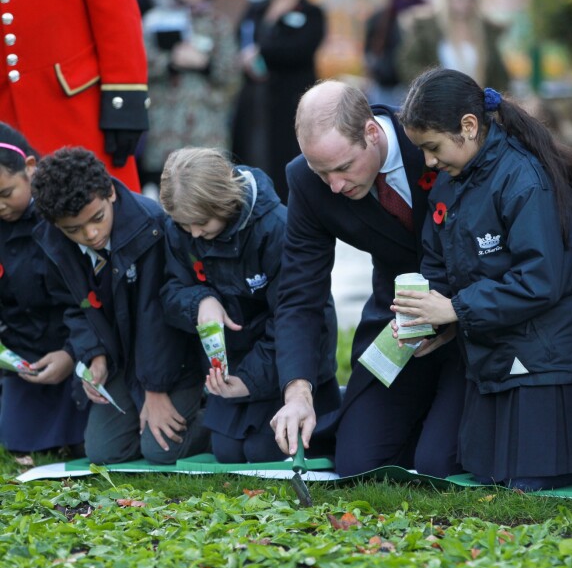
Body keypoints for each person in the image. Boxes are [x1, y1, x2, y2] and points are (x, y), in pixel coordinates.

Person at [394, 68, 572, 491]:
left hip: (543, 358)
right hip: (486, 353)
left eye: (433, 147)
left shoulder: (523, 179)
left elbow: (540, 281)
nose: (428, 161)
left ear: (469, 127)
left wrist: (457, 308)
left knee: (521, 483)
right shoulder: (448, 181)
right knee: (466, 471)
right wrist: (430, 317)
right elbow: (436, 261)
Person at [270, 79, 466, 478]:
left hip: (473, 318)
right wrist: (298, 391)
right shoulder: (308, 184)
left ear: (372, 132)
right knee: (357, 462)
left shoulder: (433, 138)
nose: (335, 186)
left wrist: (459, 313)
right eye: (321, 172)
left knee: (437, 463)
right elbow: (299, 294)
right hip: (398, 326)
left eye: (343, 168)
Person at [159, 147, 340, 462]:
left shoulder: (276, 229)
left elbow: (296, 318)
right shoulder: (184, 229)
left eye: (201, 223)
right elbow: (170, 291)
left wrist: (249, 381)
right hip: (233, 364)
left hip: (282, 364)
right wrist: (200, 301)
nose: (195, 233)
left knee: (262, 452)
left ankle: (334, 406)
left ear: (225, 202)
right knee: (228, 454)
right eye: (185, 226)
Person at [31, 147, 209, 465]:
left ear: (110, 192)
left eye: (97, 218)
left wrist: (154, 391)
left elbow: (159, 316)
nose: (91, 234)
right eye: (74, 230)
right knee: (104, 452)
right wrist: (92, 355)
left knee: (162, 450)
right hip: (121, 360)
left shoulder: (152, 225)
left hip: (173, 361)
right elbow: (72, 306)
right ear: (56, 224)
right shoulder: (51, 240)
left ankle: (216, 417)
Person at [0, 0, 149, 193]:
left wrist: (123, 94)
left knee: (104, 206)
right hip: (6, 110)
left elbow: (115, 8)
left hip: (75, 105)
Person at [0, 124, 88, 455]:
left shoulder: (61, 218)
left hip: (75, 349)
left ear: (30, 169)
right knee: (18, 442)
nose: (1, 207)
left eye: (6, 194)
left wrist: (70, 353)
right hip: (24, 357)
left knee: (88, 445)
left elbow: (89, 300)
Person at [139, 0, 242, 191]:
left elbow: (232, 74)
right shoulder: (156, 19)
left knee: (206, 188)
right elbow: (139, 63)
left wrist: (205, 64)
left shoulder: (218, 23)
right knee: (163, 190)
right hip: (163, 127)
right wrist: (171, 62)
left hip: (205, 127)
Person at [231, 0, 326, 204]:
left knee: (287, 160)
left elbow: (302, 48)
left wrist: (262, 53)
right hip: (255, 98)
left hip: (290, 100)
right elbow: (239, 37)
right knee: (251, 154)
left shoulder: (311, 12)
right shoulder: (256, 9)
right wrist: (246, 59)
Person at [397, 0, 509, 92]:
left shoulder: (486, 30)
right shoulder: (429, 27)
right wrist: (429, 85)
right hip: (439, 98)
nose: (465, 2)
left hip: (478, 99)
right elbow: (407, 63)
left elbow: (498, 74)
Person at [364, 0, 425, 106]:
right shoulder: (382, 17)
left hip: (417, 84)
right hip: (386, 85)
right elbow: (369, 51)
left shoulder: (426, 15)